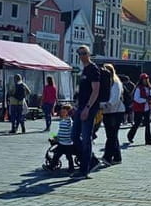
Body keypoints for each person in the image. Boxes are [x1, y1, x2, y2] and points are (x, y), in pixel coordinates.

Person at [70, 45, 100, 179]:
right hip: (80, 107)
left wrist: (87, 108)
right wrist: (76, 105)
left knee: (86, 139)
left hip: (89, 108)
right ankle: (91, 160)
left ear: (89, 54)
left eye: (83, 53)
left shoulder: (93, 69)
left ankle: (84, 170)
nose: (81, 56)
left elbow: (95, 90)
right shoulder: (84, 70)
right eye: (79, 53)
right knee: (74, 136)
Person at [100, 63, 125, 165]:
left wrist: (104, 105)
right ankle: (117, 157)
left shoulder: (115, 83)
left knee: (112, 135)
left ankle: (107, 157)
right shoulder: (106, 83)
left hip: (116, 111)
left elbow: (114, 98)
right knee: (112, 135)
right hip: (108, 112)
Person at [43, 104, 76, 173]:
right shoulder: (62, 121)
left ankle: (71, 168)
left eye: (64, 112)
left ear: (68, 113)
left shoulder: (69, 122)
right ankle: (51, 166)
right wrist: (56, 137)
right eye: (62, 112)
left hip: (68, 143)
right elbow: (60, 131)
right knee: (57, 155)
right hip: (61, 142)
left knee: (69, 157)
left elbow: (71, 130)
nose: (62, 113)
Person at [127, 73, 151, 145]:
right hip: (139, 109)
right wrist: (146, 100)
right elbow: (137, 99)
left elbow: (150, 95)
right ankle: (130, 136)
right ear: (141, 80)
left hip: (147, 108)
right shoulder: (138, 88)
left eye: (146, 79)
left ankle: (148, 140)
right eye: (144, 79)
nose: (145, 80)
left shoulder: (149, 88)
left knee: (147, 124)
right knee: (137, 123)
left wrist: (150, 99)